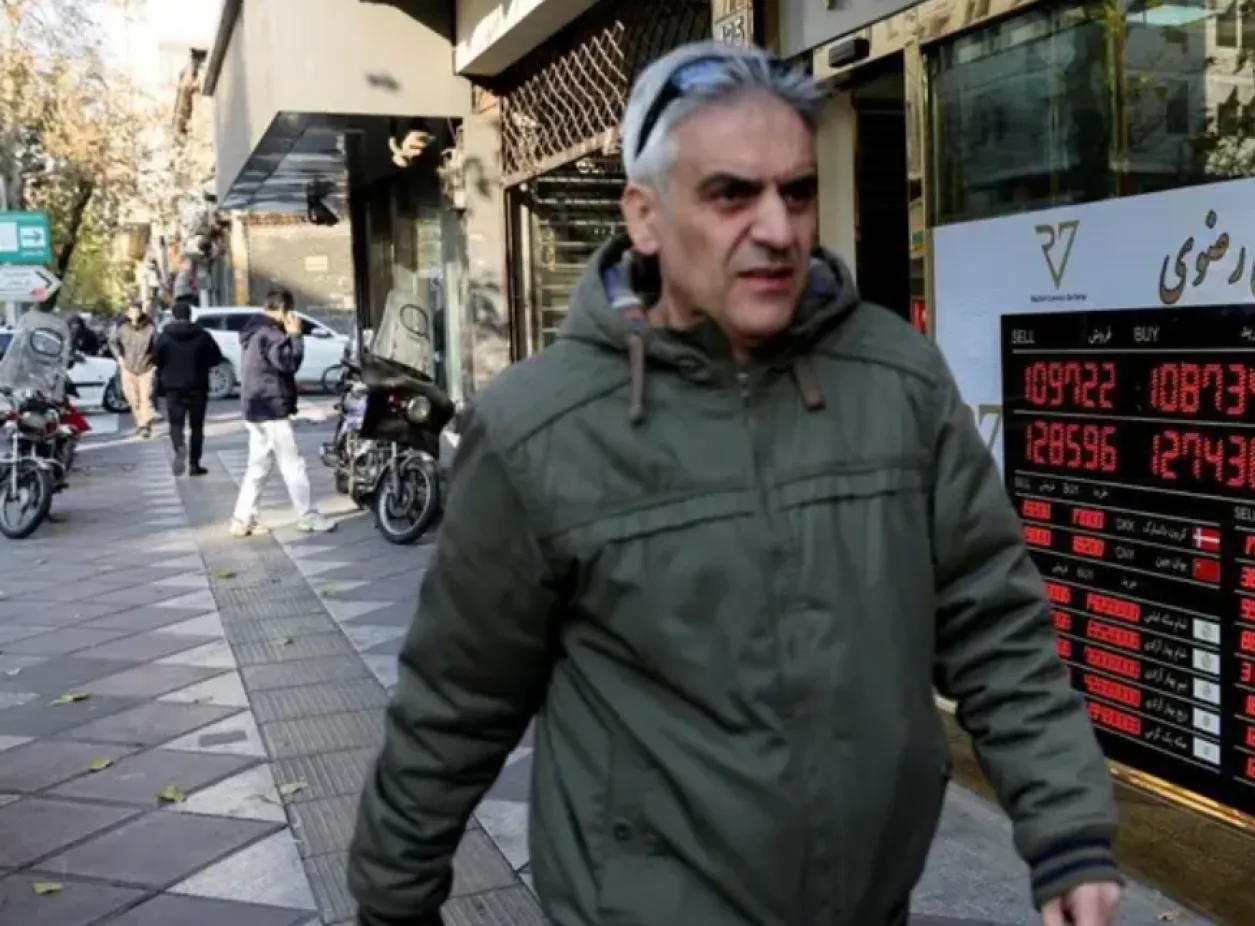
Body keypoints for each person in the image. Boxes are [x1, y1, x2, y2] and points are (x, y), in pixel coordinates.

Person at [347, 41, 1121, 926]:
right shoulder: (538, 427)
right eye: (731, 194)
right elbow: (456, 700)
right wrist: (393, 902)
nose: (779, 229)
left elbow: (993, 622)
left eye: (796, 190)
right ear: (644, 216)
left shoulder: (897, 377)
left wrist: (1066, 828)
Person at [228, 289, 334, 536]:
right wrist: (295, 336)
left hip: (254, 406)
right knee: (292, 464)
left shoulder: (253, 331)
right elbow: (288, 363)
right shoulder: (270, 334)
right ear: (284, 309)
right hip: (271, 406)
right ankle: (307, 515)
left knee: (259, 465)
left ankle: (242, 519)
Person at [154, 300, 223, 477]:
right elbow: (216, 357)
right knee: (197, 427)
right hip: (198, 385)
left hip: (173, 387)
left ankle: (179, 448)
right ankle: (194, 464)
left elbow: (156, 359)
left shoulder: (164, 336)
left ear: (174, 315)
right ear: (190, 315)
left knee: (176, 424)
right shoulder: (203, 335)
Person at [108, 302, 157, 438]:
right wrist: (119, 357)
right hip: (128, 367)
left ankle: (145, 425)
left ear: (141, 312)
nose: (134, 314)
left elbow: (157, 345)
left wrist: (155, 361)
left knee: (145, 397)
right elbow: (112, 342)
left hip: (146, 367)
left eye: (136, 311)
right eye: (131, 311)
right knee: (133, 399)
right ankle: (141, 422)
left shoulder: (150, 327)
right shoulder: (122, 327)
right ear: (128, 313)